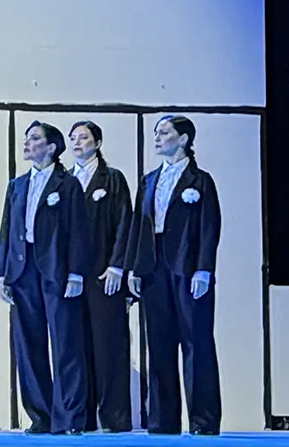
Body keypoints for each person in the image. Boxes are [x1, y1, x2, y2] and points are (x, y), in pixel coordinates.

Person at [114, 115, 221, 435]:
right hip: (153, 269)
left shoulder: (200, 180)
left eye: (165, 132)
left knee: (196, 343)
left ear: (184, 139)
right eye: (156, 132)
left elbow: (210, 227)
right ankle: (162, 420)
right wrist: (133, 266)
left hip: (187, 269)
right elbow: (137, 225)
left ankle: (203, 420)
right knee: (158, 345)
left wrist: (204, 269)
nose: (157, 138)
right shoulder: (149, 180)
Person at [0, 121, 89, 434]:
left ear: (52, 147)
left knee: (66, 344)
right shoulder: (17, 185)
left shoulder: (68, 183)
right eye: (26, 138)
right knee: (28, 345)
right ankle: (41, 415)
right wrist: (2, 275)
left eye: (34, 138)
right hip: (22, 272)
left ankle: (71, 417)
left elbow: (79, 230)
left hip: (57, 272)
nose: (27, 143)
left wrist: (76, 272)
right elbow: (6, 231)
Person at [68, 120, 134, 432]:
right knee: (77, 348)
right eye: (72, 138)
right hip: (71, 278)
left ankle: (115, 418)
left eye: (83, 137)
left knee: (109, 346)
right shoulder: (64, 180)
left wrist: (118, 266)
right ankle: (81, 417)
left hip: (104, 274)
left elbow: (125, 223)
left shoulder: (113, 179)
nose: (76, 142)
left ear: (97, 142)